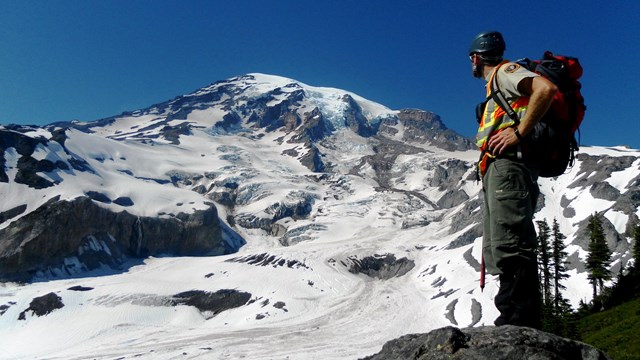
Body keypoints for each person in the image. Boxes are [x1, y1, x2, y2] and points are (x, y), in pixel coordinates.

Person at [469, 31, 557, 329]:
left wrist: (519, 131)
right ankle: (512, 316)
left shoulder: (505, 72)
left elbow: (544, 89)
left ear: (476, 57)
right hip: (499, 169)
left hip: (510, 166)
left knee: (511, 240)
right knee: (501, 244)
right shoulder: (495, 85)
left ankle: (520, 319)